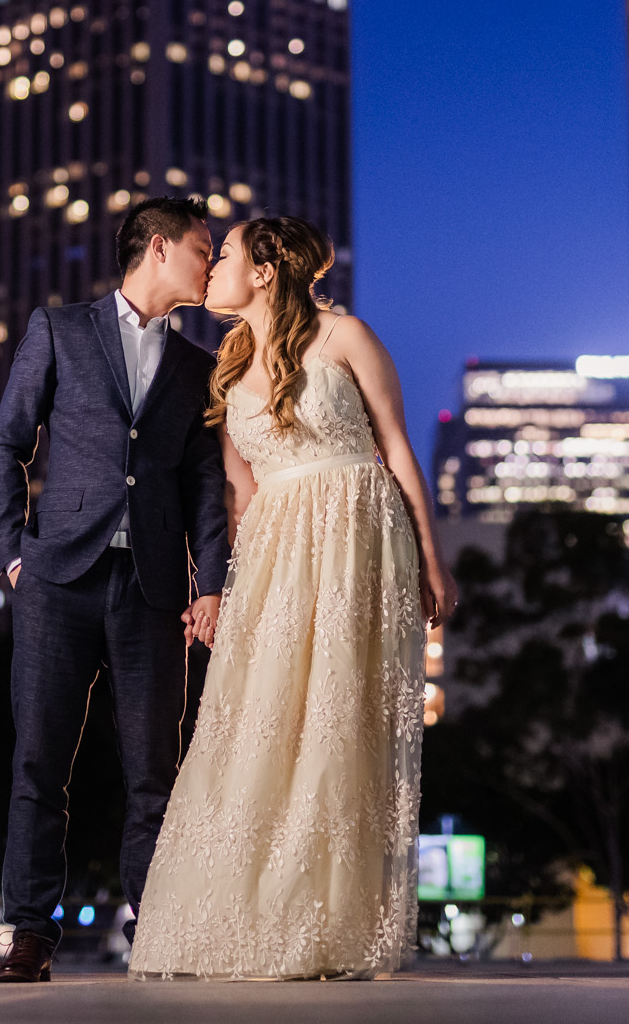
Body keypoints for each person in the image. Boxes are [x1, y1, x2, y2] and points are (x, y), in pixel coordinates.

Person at [127, 215, 459, 981]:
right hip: (276, 549)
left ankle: (326, 925)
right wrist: (221, 585)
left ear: (268, 269)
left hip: (357, 538)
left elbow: (398, 446)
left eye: (227, 256)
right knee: (258, 720)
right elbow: (237, 489)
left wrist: (431, 562)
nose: (210, 270)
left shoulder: (346, 337)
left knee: (337, 725)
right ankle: (241, 915)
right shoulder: (224, 366)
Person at [0, 196, 233, 984]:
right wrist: (13, 551)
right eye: (202, 247)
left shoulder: (197, 365)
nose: (209, 261)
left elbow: (204, 485)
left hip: (154, 589)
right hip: (57, 580)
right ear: (158, 248)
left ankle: (154, 930)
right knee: (39, 762)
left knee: (155, 770)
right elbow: (5, 443)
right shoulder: (58, 328)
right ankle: (30, 931)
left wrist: (213, 582)